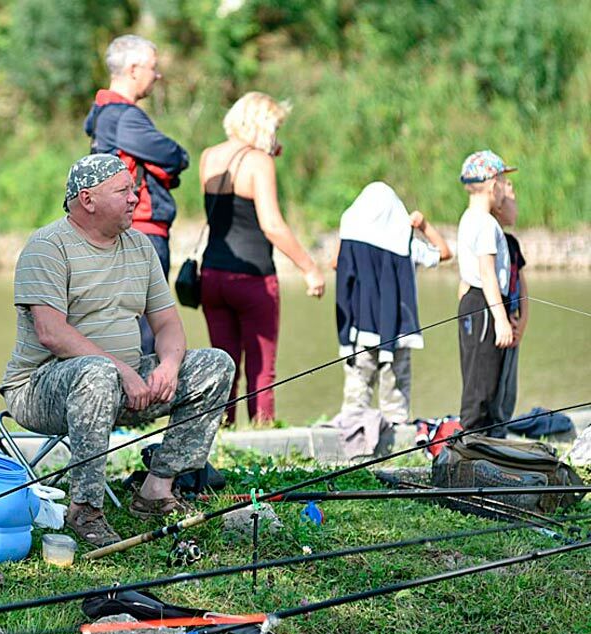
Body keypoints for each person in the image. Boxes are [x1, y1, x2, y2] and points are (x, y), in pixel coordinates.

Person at [0, 154, 233, 547]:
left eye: (133, 189)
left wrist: (170, 365)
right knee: (97, 373)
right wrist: (122, 371)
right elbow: (51, 332)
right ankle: (85, 509)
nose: (134, 198)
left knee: (216, 365)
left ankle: (156, 489)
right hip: (39, 389)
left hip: (121, 383)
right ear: (87, 200)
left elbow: (168, 324)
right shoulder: (47, 246)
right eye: (123, 190)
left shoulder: (139, 246)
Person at [197, 92, 326, 426]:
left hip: (212, 276)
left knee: (223, 366)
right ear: (264, 125)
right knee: (261, 368)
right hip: (253, 278)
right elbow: (271, 225)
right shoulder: (259, 162)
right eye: (276, 127)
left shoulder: (209, 156)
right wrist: (309, 268)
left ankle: (218, 434)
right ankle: (262, 437)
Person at [85, 34, 189, 354]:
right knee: (146, 329)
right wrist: (174, 162)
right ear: (133, 69)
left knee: (124, 323)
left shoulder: (102, 114)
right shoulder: (124, 116)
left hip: (122, 230)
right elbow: (175, 156)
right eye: (153, 68)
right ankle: (142, 399)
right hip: (142, 231)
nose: (157, 76)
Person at [332, 182, 452, 424]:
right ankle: (396, 437)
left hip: (360, 330)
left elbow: (337, 264)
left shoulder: (353, 243)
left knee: (357, 392)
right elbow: (445, 253)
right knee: (395, 399)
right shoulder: (405, 244)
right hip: (397, 332)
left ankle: (353, 436)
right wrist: (424, 226)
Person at [455, 150, 516, 435]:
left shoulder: (468, 218)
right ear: (493, 185)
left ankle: (481, 444)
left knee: (479, 377)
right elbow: (487, 272)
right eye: (504, 182)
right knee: (483, 383)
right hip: (485, 303)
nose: (506, 189)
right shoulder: (485, 223)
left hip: (475, 302)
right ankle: (473, 444)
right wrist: (500, 319)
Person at [487, 180, 528, 423]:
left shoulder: (512, 244)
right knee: (492, 384)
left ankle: (502, 426)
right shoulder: (489, 240)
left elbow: (523, 288)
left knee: (508, 387)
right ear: (499, 208)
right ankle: (492, 431)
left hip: (513, 327)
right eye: (512, 201)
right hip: (496, 327)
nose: (516, 206)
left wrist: (522, 324)